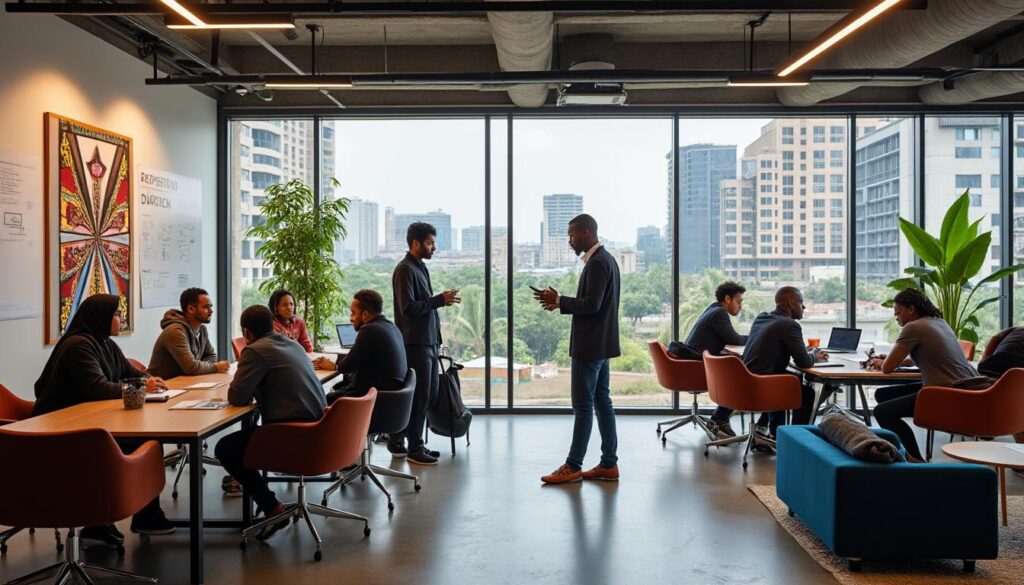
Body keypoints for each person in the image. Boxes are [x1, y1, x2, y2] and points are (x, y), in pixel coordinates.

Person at [32, 294, 173, 541]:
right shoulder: (78, 345)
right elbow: (97, 388)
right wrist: (142, 386)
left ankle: (111, 521)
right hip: (62, 431)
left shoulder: (105, 342)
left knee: (147, 441)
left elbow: (130, 373)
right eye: (116, 315)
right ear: (101, 317)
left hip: (90, 423)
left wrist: (148, 379)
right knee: (144, 442)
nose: (120, 319)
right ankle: (120, 519)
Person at [214, 305, 327, 542]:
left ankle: (272, 507)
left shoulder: (255, 351)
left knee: (225, 448)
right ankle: (269, 505)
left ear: (246, 332)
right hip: (319, 428)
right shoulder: (292, 344)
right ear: (271, 324)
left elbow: (236, 397)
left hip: (292, 433)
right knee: (244, 439)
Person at [534, 214, 621, 484]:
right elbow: (594, 304)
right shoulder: (607, 260)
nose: (569, 241)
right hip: (602, 345)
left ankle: (573, 466)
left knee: (583, 406)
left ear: (585, 233)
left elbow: (591, 305)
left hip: (589, 347)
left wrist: (560, 300)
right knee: (602, 403)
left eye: (572, 235)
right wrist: (560, 302)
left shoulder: (597, 263)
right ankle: (608, 464)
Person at [707, 286, 831, 450]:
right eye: (801, 303)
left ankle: (774, 434)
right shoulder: (789, 325)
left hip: (744, 382)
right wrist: (816, 356)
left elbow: (775, 347)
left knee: (789, 379)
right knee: (807, 393)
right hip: (760, 388)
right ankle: (797, 442)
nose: (804, 307)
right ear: (790, 303)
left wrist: (802, 351)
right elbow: (804, 363)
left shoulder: (763, 317)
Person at [869, 288, 979, 463]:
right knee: (883, 395)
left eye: (898, 313)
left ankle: (915, 459)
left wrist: (883, 362)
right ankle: (905, 448)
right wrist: (895, 360)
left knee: (882, 412)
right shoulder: (939, 322)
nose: (896, 318)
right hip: (968, 387)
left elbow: (887, 368)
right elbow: (928, 354)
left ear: (911, 309)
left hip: (948, 393)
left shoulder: (913, 327)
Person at [391, 222, 459, 466]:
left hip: (428, 342)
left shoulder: (419, 268)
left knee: (428, 393)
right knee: (420, 395)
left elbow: (425, 305)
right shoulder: (405, 270)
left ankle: (398, 439)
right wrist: (439, 300)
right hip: (415, 343)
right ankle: (414, 447)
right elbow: (408, 308)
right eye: (430, 243)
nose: (434, 248)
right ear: (416, 243)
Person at [312, 289, 408, 402]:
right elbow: (359, 356)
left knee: (318, 400)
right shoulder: (392, 327)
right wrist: (335, 363)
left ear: (365, 314)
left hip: (370, 400)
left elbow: (346, 367)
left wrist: (335, 366)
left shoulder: (369, 330)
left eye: (353, 313)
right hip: (389, 400)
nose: (350, 318)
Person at [683, 281, 748, 439]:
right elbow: (735, 339)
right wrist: (758, 337)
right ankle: (719, 419)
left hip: (694, 363)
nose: (740, 306)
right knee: (740, 374)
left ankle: (720, 418)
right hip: (697, 367)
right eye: (738, 302)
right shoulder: (719, 313)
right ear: (727, 299)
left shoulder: (712, 309)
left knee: (736, 367)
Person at [146, 287, 229, 379]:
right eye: (206, 307)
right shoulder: (175, 331)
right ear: (191, 309)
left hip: (186, 382)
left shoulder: (202, 330)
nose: (211, 311)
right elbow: (191, 367)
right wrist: (215, 367)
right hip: (163, 387)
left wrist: (201, 367)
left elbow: (211, 355)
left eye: (211, 306)